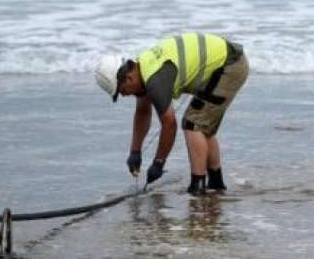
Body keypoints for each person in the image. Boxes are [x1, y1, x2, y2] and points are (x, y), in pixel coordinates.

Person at [95, 32, 248, 195]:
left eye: (122, 91)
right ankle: (216, 184)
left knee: (193, 123)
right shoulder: (143, 69)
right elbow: (142, 111)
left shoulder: (154, 80)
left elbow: (169, 125)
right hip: (227, 63)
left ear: (128, 78)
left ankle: (198, 188)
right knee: (202, 124)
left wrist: (158, 163)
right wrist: (135, 151)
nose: (125, 95)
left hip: (229, 65)